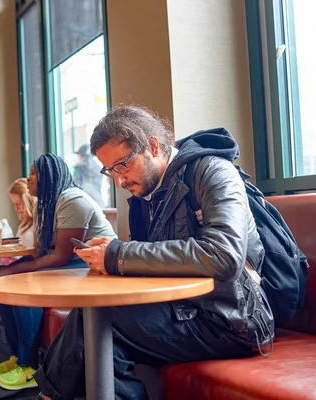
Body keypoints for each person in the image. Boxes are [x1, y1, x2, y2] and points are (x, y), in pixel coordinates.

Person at [33, 106, 275, 400]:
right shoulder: (144, 196)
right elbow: (150, 263)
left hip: (231, 320)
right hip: (182, 308)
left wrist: (119, 256)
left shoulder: (213, 172)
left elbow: (224, 256)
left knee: (99, 325)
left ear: (152, 145)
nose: (118, 180)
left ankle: (47, 395)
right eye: (110, 171)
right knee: (98, 330)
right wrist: (108, 262)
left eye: (122, 165)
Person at [0, 154, 116, 391]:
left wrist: (14, 269)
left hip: (92, 268)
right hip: (73, 264)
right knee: (2, 283)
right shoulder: (45, 204)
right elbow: (40, 252)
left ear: (49, 177)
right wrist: (7, 270)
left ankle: (28, 367)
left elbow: (61, 256)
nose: (28, 178)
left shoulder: (71, 200)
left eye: (34, 173)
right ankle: (17, 357)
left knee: (23, 287)